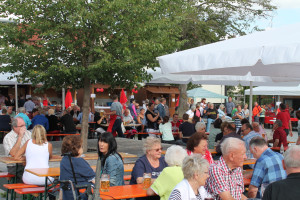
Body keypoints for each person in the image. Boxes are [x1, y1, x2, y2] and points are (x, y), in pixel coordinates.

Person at [60, 135, 95, 200]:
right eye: (81, 146)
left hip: (67, 195)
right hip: (79, 194)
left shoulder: (63, 160)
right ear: (77, 149)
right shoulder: (79, 161)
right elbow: (93, 179)